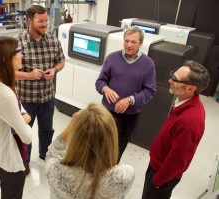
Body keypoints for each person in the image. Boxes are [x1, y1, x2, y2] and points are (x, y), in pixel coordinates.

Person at [141, 61, 210, 199]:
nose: (170, 80)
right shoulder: (186, 102)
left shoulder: (189, 122)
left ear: (191, 89)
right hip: (158, 166)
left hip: (161, 175)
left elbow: (177, 161)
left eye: (176, 79)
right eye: (174, 75)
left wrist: (158, 181)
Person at [46, 102, 135, 199]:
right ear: (112, 139)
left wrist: (72, 123)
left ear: (75, 139)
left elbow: (52, 152)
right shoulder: (125, 175)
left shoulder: (55, 171)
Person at [15, 5, 65, 173]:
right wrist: (29, 75)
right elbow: (8, 72)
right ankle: (25, 160)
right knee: (24, 131)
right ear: (29, 20)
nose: (44, 24)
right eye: (40, 21)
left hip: (47, 97)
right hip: (26, 98)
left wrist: (55, 70)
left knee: (47, 129)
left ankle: (45, 153)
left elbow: (61, 61)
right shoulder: (17, 42)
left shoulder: (53, 41)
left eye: (46, 21)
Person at [0, 36, 33, 199]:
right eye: (17, 51)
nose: (22, 55)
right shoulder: (3, 93)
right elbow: (27, 137)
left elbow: (18, 108)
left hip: (0, 153)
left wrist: (22, 116)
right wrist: (25, 119)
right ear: (5, 59)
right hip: (10, 161)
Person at [95, 26, 156, 162]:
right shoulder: (112, 58)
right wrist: (105, 88)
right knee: (99, 144)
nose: (129, 45)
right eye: (126, 40)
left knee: (117, 148)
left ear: (141, 43)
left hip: (129, 117)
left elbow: (150, 91)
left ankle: (110, 174)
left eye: (133, 42)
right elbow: (100, 81)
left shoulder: (148, 64)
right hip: (106, 112)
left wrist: (130, 100)